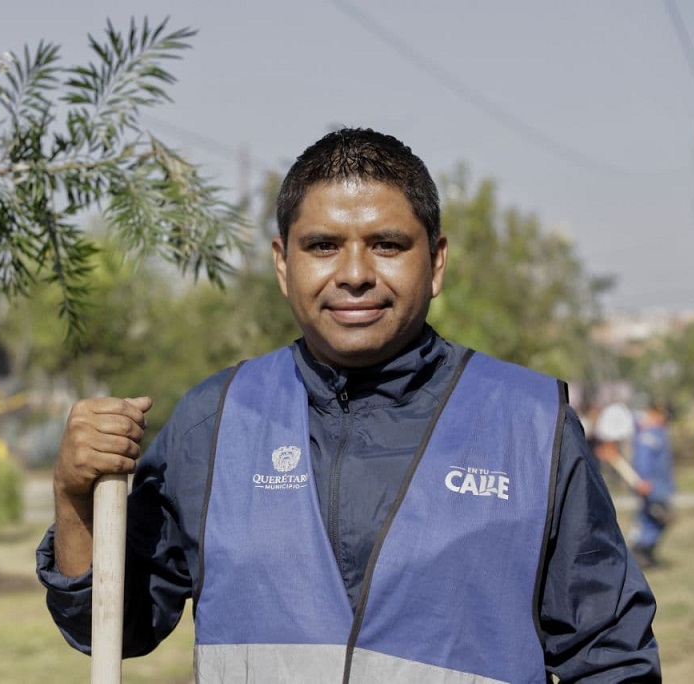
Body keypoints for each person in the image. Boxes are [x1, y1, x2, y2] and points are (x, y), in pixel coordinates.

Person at [37, 128, 660, 682]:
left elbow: (610, 655)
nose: (355, 273)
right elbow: (111, 628)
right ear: (283, 264)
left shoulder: (531, 426)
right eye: (323, 245)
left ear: (436, 262)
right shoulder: (215, 422)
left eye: (387, 244)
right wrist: (74, 497)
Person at [629, 400, 676, 568]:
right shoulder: (648, 435)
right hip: (651, 485)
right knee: (650, 517)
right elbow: (643, 461)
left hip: (661, 485)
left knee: (662, 518)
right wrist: (642, 481)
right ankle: (640, 551)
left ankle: (648, 553)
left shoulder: (660, 432)